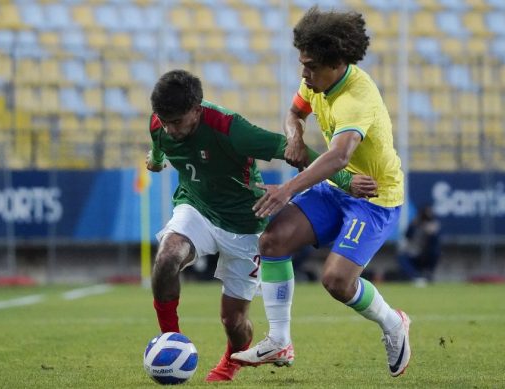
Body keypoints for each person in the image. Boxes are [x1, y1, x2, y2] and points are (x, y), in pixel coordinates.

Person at [146, 69, 376, 382]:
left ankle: (231, 358)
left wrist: (346, 180)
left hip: (246, 224)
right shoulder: (160, 123)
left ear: (196, 110)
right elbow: (159, 145)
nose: (170, 129)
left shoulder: (231, 129)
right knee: (166, 257)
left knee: (234, 320)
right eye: (165, 121)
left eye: (177, 122)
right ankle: (171, 340)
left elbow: (293, 150)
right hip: (196, 208)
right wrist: (156, 160)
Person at [231, 6, 411, 378]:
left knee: (336, 281)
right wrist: (295, 135)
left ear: (336, 62)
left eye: (310, 66)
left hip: (374, 199)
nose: (303, 73)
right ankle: (279, 340)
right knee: (273, 241)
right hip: (335, 191)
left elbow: (339, 157)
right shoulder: (316, 82)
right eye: (302, 63)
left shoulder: (355, 98)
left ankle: (394, 324)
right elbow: (294, 113)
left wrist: (286, 190)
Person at [397, 205, 441, 284]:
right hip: (413, 253)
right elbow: (407, 235)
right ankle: (415, 277)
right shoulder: (415, 224)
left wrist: (432, 233)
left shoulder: (433, 225)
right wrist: (415, 225)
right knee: (402, 257)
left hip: (426, 255)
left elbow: (436, 243)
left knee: (436, 252)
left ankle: (428, 273)